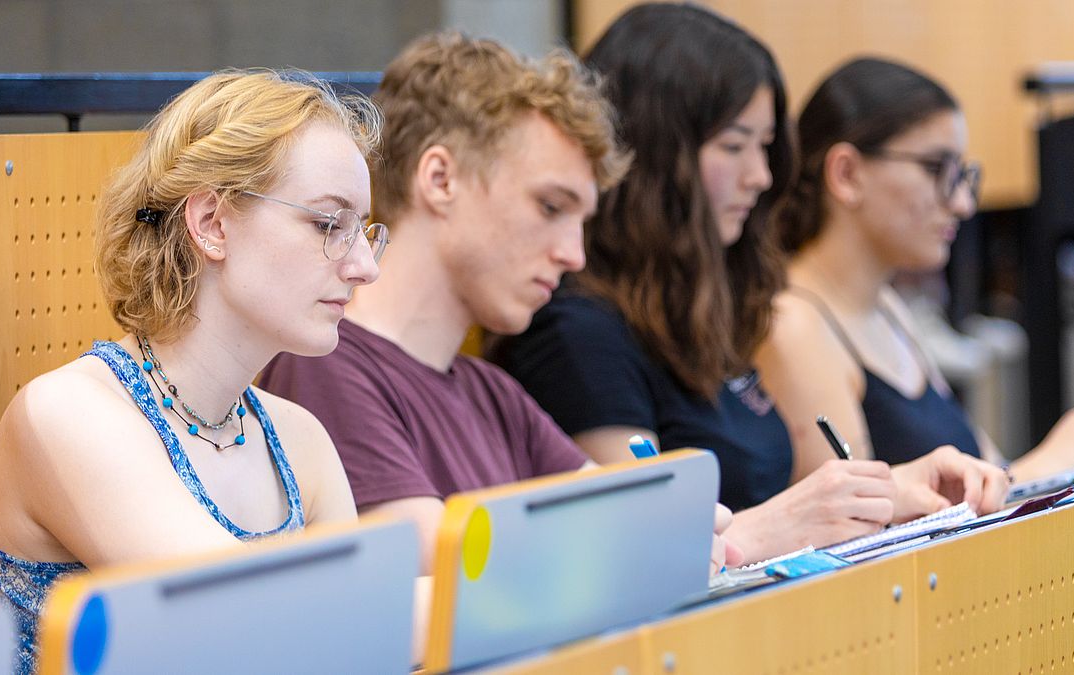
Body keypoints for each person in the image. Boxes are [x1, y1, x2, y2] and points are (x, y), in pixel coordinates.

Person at [494, 3, 1009, 565]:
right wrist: (785, 522)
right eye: (734, 146)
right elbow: (636, 558)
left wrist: (894, 491)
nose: (760, 176)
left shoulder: (699, 317)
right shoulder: (579, 335)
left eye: (764, 147)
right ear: (656, 158)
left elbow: (769, 506)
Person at [256, 33, 737, 575]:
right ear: (441, 179)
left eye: (581, 222)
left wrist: (680, 531)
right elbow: (441, 566)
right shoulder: (325, 363)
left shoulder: (495, 394)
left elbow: (632, 517)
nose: (573, 254)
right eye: (550, 206)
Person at [0, 69, 384, 673]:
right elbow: (244, 625)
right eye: (329, 224)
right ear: (212, 224)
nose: (363, 268)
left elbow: (357, 644)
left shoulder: (301, 439)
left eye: (365, 231)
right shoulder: (67, 415)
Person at [759, 57, 1074, 487]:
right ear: (846, 174)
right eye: (937, 170)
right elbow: (858, 535)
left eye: (962, 176)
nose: (962, 203)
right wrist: (1051, 460)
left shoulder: (884, 304)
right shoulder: (796, 328)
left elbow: (989, 471)